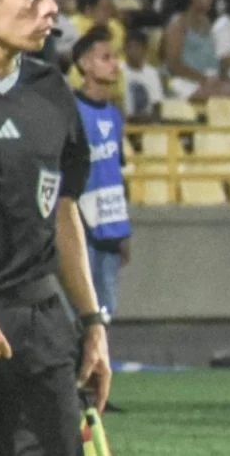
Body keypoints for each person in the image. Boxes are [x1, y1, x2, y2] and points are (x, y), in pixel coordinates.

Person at [0, 0, 112, 454]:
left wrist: (91, 321)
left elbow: (62, 206)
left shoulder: (50, 91)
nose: (51, 9)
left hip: (42, 325)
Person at [72, 28, 131, 360]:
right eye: (106, 58)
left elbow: (114, 174)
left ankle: (94, 388)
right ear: (85, 63)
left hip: (110, 228)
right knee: (81, 313)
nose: (115, 65)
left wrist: (124, 229)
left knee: (105, 312)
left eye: (115, 57)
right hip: (82, 229)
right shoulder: (72, 111)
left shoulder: (114, 114)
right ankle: (73, 390)